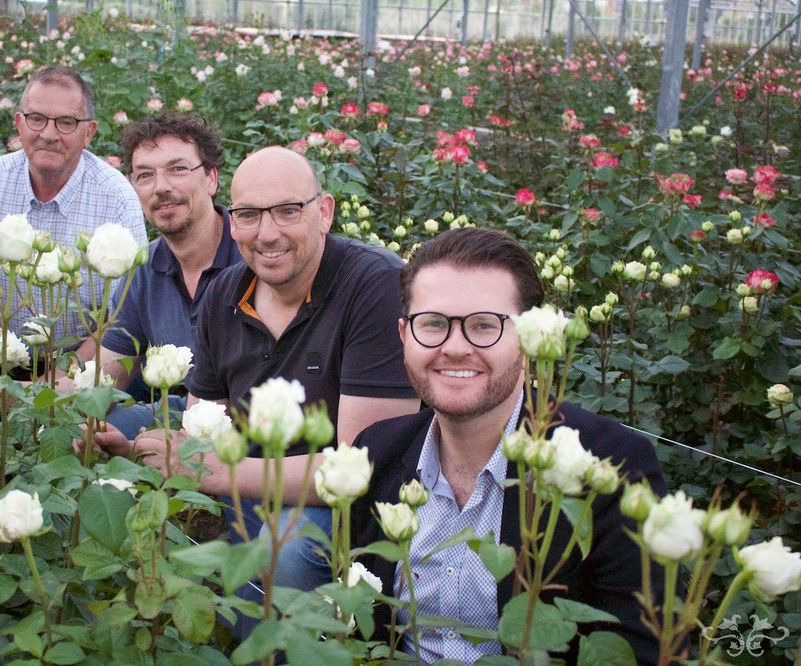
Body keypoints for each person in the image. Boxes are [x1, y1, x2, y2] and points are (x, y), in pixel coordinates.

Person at [93, 146, 421, 590]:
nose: (267, 233)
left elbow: (359, 467)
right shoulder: (224, 294)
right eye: (248, 215)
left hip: (342, 505)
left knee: (282, 553)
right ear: (232, 222)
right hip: (250, 473)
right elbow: (203, 426)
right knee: (118, 450)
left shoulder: (373, 285)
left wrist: (205, 470)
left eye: (287, 211)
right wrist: (144, 454)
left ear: (324, 213)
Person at [350, 227, 666, 664]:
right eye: (433, 324)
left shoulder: (607, 464)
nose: (454, 347)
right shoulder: (377, 455)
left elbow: (637, 647)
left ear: (529, 335)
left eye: (484, 325)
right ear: (404, 334)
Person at [0, 66, 147, 344]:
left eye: (66, 122)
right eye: (36, 119)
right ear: (19, 123)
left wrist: (67, 378)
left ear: (89, 132)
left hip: (78, 367)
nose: (49, 134)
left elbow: (123, 319)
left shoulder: (117, 199)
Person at [69, 112, 241, 434]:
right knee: (92, 430)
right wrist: (26, 395)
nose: (161, 187)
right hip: (190, 409)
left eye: (177, 169)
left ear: (211, 179)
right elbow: (108, 373)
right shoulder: (144, 269)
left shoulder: (251, 249)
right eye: (145, 175)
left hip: (255, 416)